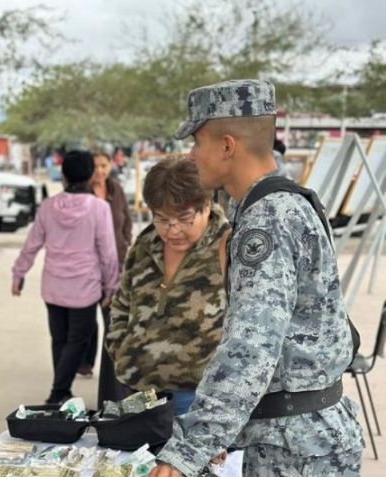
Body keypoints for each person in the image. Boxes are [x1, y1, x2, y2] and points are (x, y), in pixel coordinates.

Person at [150, 80, 364, 477]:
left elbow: (251, 348)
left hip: (294, 450)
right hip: (306, 438)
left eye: (197, 142)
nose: (191, 155)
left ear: (227, 145)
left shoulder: (266, 220)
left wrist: (189, 449)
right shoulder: (289, 203)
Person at [105, 157, 229, 416]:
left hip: (201, 398)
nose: (172, 230)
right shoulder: (146, 243)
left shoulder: (229, 246)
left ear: (206, 205)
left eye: (184, 219)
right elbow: (122, 303)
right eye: (161, 218)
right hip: (138, 391)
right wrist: (121, 350)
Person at [11, 150, 120, 405]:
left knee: (59, 339)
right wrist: (112, 284)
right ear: (91, 175)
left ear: (63, 174)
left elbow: (32, 244)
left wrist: (19, 273)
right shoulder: (99, 208)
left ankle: (62, 388)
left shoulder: (48, 207)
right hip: (84, 288)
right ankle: (59, 392)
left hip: (53, 286)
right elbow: (108, 251)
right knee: (77, 341)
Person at [78, 152, 131, 390]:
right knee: (89, 319)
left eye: (104, 165)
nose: (100, 170)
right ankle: (86, 362)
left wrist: (125, 243)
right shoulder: (82, 192)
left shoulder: (116, 190)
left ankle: (110, 369)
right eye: (96, 166)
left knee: (111, 316)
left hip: (116, 265)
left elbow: (126, 221)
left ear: (110, 166)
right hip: (89, 267)